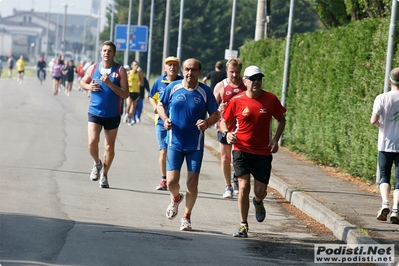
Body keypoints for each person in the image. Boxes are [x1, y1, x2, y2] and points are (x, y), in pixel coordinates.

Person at [220, 65, 286, 237]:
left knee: (260, 192)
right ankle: (243, 225)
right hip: (241, 149)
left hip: (263, 152)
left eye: (259, 78)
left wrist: (275, 140)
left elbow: (281, 119)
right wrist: (227, 134)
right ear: (245, 81)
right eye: (253, 79)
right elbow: (223, 121)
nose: (256, 82)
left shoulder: (270, 99)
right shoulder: (237, 100)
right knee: (243, 186)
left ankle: (258, 202)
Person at [157, 58, 219, 231]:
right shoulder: (173, 87)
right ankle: (176, 198)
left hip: (195, 145)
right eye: (187, 69)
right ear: (182, 71)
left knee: (192, 184)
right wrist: (165, 119)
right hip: (174, 142)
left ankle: (186, 216)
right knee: (171, 182)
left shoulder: (205, 91)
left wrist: (207, 123)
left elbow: (215, 113)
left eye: (193, 70)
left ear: (199, 72)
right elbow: (161, 105)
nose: (190, 73)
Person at [79, 40, 129, 188]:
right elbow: (82, 82)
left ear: (114, 53)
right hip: (95, 112)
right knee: (92, 142)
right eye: (104, 50)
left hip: (113, 114)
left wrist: (110, 84)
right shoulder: (94, 67)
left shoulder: (120, 71)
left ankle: (105, 175)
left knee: (109, 147)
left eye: (109, 51)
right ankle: (97, 163)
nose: (106, 53)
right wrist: (88, 86)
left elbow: (126, 94)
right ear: (101, 52)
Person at [213, 58, 247, 198]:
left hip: (242, 127)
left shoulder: (246, 86)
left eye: (237, 72)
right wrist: (219, 108)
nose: (234, 75)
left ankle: (236, 177)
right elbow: (211, 108)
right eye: (232, 72)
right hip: (225, 126)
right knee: (225, 158)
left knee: (240, 158)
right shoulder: (221, 86)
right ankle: (228, 187)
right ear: (227, 71)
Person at [149, 56, 183, 191]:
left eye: (175, 65)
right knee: (163, 151)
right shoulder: (159, 81)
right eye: (169, 65)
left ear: (178, 68)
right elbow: (151, 96)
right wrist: (154, 106)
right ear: (165, 68)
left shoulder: (182, 82)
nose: (172, 67)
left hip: (178, 123)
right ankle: (164, 179)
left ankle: (173, 179)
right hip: (161, 122)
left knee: (175, 152)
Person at [371, 67, 399, 224]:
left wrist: (381, 124)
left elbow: (373, 120)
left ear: (390, 81)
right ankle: (396, 209)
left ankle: (385, 204)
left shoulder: (381, 98)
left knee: (384, 176)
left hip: (385, 144)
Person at [124, 60, 143, 125]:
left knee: (133, 108)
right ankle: (126, 114)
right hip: (129, 91)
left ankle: (129, 118)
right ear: (132, 66)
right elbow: (124, 81)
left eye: (137, 65)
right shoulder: (128, 73)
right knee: (128, 104)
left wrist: (140, 83)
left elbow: (142, 83)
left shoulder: (139, 74)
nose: (136, 66)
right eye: (135, 65)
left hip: (136, 92)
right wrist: (127, 85)